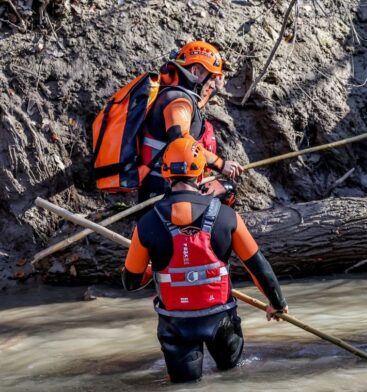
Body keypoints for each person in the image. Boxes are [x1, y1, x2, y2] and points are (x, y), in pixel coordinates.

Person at [121, 137, 288, 383]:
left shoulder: (146, 224)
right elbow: (257, 265)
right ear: (200, 174)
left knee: (184, 386)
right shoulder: (227, 216)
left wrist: (155, 269)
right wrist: (277, 302)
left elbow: (131, 282)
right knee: (234, 377)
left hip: (177, 324)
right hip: (221, 319)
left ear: (166, 175)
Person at [139, 40, 244, 201]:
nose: (211, 85)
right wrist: (220, 164)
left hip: (167, 183)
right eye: (211, 79)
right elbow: (181, 140)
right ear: (195, 71)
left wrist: (214, 88)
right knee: (226, 191)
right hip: (163, 190)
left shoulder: (175, 95)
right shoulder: (178, 101)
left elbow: (196, 107)